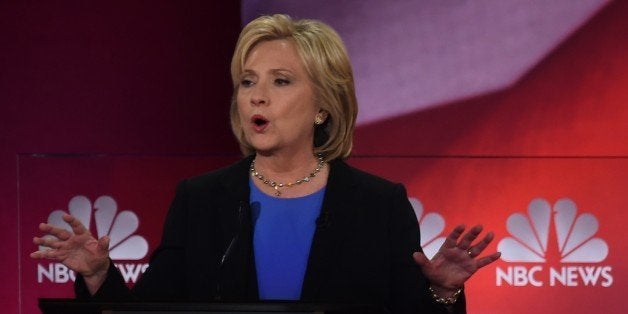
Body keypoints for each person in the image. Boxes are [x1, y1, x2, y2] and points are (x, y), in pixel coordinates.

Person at [31, 14, 500, 313]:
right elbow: (154, 311)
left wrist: (441, 292)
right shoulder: (201, 200)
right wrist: (97, 275)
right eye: (247, 80)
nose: (256, 94)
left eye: (280, 81)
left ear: (324, 106)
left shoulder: (378, 205)